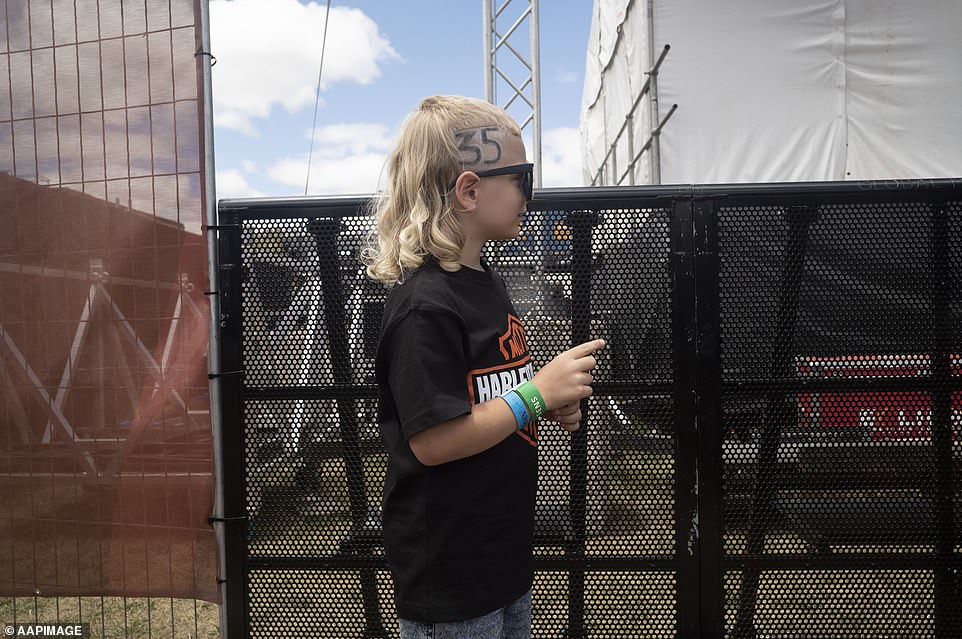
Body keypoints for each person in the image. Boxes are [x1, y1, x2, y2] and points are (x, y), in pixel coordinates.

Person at [362, 95, 605, 639]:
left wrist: (544, 402)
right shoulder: (425, 305)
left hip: (501, 555)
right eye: (521, 177)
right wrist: (534, 397)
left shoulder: (487, 283)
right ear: (469, 189)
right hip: (450, 578)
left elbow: (488, 398)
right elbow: (435, 441)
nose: (527, 194)